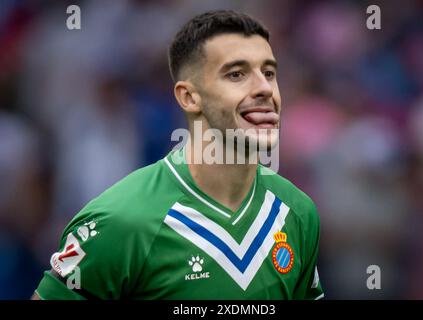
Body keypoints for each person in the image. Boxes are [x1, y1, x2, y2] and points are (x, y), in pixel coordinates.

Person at [32, 10, 324, 300]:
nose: (264, 89)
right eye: (237, 74)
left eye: (269, 73)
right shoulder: (121, 222)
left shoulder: (298, 212)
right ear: (189, 97)